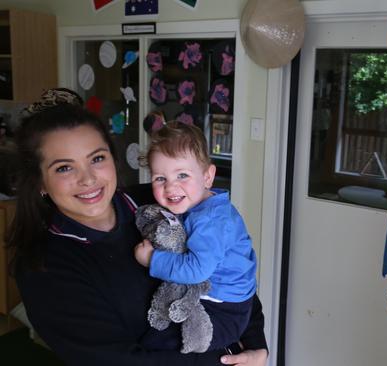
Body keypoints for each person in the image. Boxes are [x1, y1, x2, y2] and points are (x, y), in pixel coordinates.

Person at [8, 88, 268, 366]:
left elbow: (231, 267)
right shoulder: (45, 266)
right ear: (39, 182)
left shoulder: (160, 201)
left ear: (113, 159)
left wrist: (256, 346)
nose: (88, 179)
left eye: (97, 159)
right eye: (64, 168)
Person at [134, 121, 257, 352]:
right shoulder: (200, 204)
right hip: (221, 298)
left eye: (182, 175)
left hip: (226, 309)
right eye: (160, 178)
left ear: (208, 176)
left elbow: (196, 270)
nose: (171, 187)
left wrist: (152, 259)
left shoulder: (210, 221)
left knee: (158, 344)